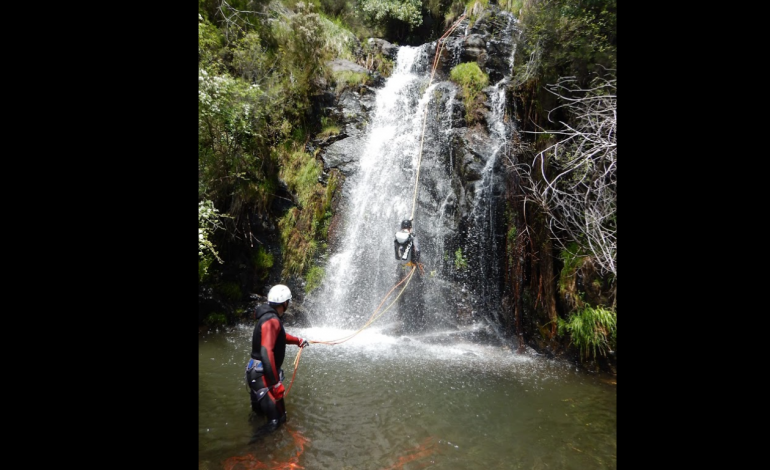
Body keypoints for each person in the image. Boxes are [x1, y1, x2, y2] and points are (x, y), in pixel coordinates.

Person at [245, 284, 309, 438]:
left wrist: (298, 340)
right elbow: (266, 353)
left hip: (255, 372)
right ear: (285, 303)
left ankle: (258, 449)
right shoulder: (272, 320)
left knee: (260, 416)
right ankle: (250, 453)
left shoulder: (268, 317)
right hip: (263, 376)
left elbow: (280, 336)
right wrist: (276, 383)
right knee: (277, 420)